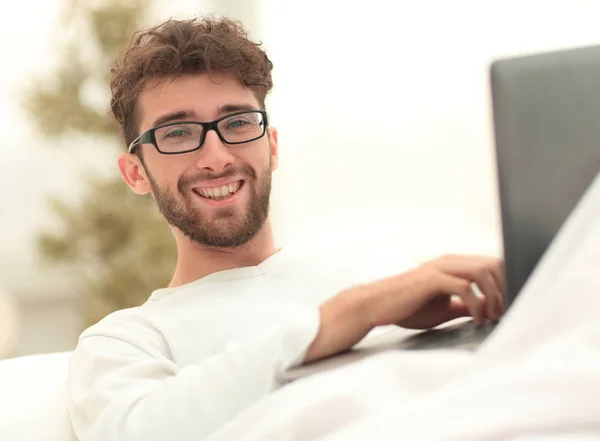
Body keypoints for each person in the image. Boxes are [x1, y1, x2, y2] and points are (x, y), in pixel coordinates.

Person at [67, 16, 505, 441]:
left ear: (271, 146)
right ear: (135, 173)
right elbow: (132, 433)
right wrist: (347, 317)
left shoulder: (383, 285)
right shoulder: (127, 340)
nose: (217, 157)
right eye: (178, 133)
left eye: (237, 122)